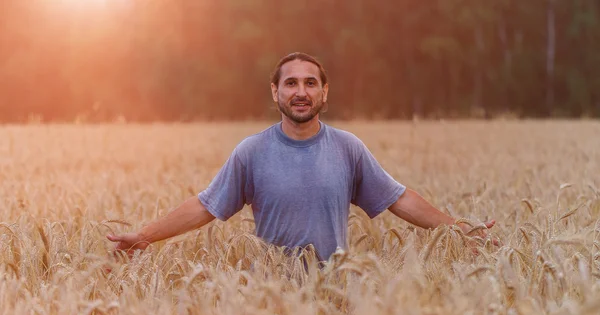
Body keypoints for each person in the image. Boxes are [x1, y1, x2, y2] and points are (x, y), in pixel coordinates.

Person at [107, 52, 497, 265]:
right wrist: (143, 237)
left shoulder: (348, 148)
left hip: (333, 294)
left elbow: (400, 199)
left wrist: (460, 230)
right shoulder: (251, 152)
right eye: (291, 83)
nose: (301, 91)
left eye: (310, 83)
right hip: (269, 297)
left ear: (324, 93)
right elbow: (205, 206)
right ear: (274, 92)